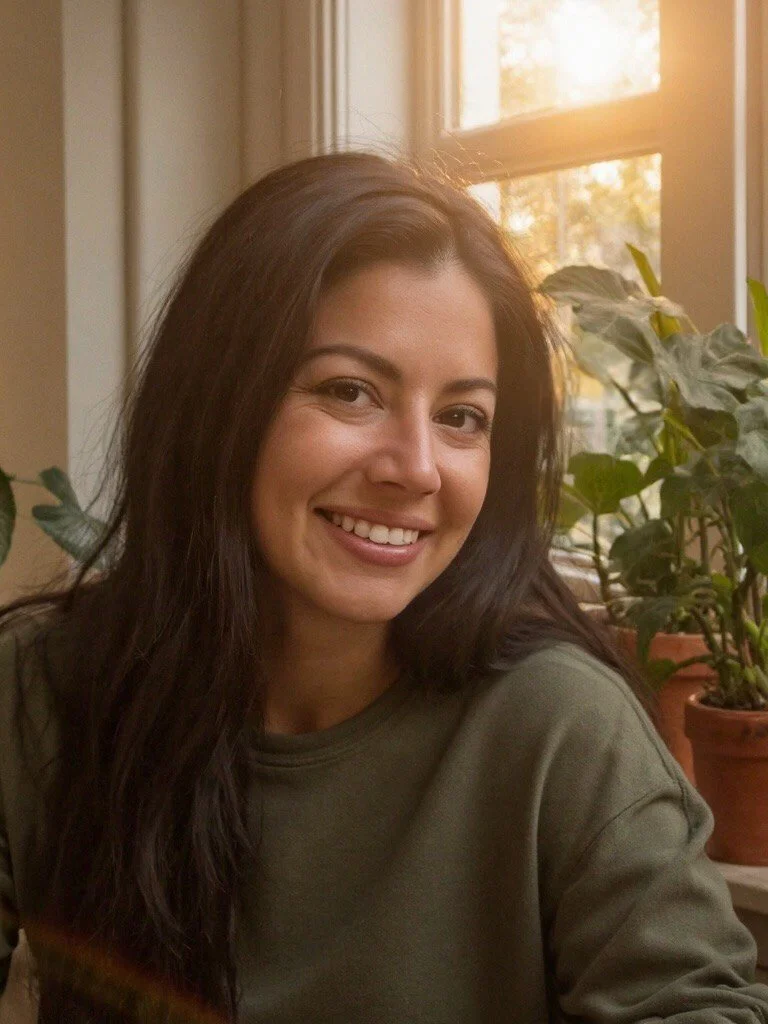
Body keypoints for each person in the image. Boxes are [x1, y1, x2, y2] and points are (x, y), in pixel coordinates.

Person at [1, 152, 767, 1024]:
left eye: (461, 417)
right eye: (350, 391)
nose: (416, 469)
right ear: (218, 402)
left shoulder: (561, 728)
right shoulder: (34, 695)